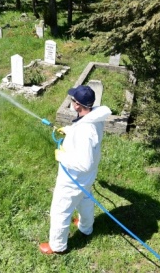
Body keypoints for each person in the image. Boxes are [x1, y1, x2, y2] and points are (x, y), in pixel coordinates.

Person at [39, 85, 112, 254]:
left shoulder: (85, 131)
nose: (72, 102)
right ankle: (86, 227)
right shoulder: (94, 118)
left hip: (74, 179)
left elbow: (84, 162)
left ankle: (57, 246)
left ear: (77, 105)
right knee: (85, 200)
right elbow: (82, 128)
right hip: (87, 178)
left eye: (73, 100)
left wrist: (61, 156)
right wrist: (69, 130)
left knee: (60, 210)